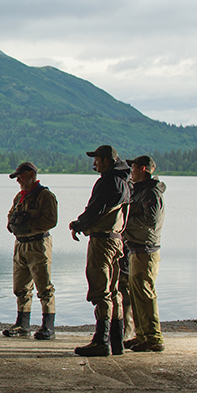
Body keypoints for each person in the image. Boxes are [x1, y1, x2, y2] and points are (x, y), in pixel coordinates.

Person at [69, 145, 131, 357]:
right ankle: (117, 342)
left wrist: (78, 224)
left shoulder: (107, 181)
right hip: (117, 240)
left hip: (103, 241)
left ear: (106, 160)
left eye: (96, 159)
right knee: (114, 291)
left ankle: (101, 342)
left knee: (101, 290)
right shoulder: (124, 181)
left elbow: (96, 209)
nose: (94, 163)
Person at [3, 162, 59, 340]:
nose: (18, 180)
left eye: (20, 176)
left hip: (38, 244)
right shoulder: (19, 196)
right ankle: (22, 324)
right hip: (20, 245)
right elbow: (11, 213)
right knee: (20, 287)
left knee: (44, 286)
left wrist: (30, 227)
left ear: (31, 174)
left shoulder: (46, 196)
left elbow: (51, 220)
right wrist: (12, 225)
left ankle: (48, 326)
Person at [123, 155, 166, 352]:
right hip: (135, 249)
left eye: (133, 167)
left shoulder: (152, 192)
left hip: (146, 250)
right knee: (136, 294)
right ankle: (141, 335)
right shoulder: (139, 191)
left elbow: (151, 220)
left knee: (146, 294)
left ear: (143, 169)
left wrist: (124, 222)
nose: (131, 170)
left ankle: (154, 338)